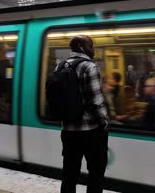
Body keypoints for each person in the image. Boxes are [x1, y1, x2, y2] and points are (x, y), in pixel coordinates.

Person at [57, 35, 109, 193]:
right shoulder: (89, 66)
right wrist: (105, 122)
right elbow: (96, 100)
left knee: (69, 174)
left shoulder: (60, 66)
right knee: (96, 172)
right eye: (91, 46)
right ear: (81, 47)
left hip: (68, 130)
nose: (93, 50)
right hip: (90, 132)